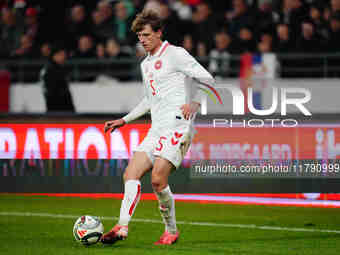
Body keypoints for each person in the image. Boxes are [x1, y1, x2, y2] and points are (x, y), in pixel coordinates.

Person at [101, 10, 214, 245]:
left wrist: (195, 102)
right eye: (139, 36)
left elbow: (207, 78)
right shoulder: (146, 64)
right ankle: (122, 227)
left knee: (157, 180)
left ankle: (171, 231)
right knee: (130, 174)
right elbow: (149, 100)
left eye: (146, 35)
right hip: (157, 129)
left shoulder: (175, 54)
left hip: (178, 127)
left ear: (159, 33)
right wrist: (125, 119)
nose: (142, 40)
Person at [41, 45, 75, 112]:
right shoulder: (50, 70)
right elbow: (51, 92)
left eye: (64, 55)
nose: (64, 57)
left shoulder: (62, 69)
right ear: (54, 55)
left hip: (64, 109)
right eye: (61, 54)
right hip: (56, 109)